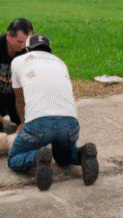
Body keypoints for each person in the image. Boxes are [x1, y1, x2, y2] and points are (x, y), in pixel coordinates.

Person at [7, 33, 98, 191]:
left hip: (39, 124)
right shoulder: (60, 62)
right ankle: (82, 154)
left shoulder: (18, 61)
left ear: (27, 49)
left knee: (14, 158)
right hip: (69, 123)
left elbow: (19, 99)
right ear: (49, 50)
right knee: (63, 159)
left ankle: (36, 157)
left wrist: (23, 122)